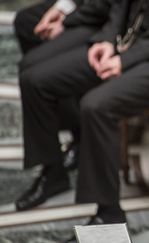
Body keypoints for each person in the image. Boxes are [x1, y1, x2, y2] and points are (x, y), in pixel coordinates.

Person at [18, 0, 149, 226]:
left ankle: (108, 213)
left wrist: (125, 59)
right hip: (128, 45)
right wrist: (107, 40)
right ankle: (53, 172)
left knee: (96, 106)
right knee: (35, 81)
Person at [14, 0, 113, 211]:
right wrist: (62, 7)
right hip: (91, 8)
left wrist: (67, 21)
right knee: (25, 22)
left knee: (31, 73)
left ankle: (55, 168)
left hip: (108, 18)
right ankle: (74, 130)